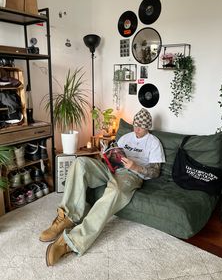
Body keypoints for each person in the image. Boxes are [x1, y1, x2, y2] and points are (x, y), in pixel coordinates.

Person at [40, 108, 165, 266]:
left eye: (140, 127)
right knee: (80, 163)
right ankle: (66, 217)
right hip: (111, 169)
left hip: (131, 175)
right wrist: (105, 154)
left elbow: (155, 172)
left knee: (115, 191)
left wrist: (135, 167)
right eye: (135, 125)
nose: (136, 129)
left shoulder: (154, 143)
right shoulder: (126, 137)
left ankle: (72, 241)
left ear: (148, 127)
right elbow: (114, 155)